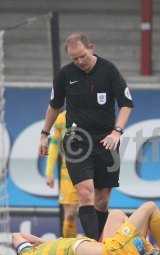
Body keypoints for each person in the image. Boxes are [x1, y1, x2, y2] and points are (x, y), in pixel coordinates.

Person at [38, 32, 133, 240]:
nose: (79, 61)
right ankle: (93, 245)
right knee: (84, 191)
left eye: (82, 56)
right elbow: (54, 106)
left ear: (91, 47)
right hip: (76, 139)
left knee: (102, 199)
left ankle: (98, 242)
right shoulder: (65, 75)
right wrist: (44, 134)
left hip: (107, 140)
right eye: (74, 58)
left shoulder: (109, 70)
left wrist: (117, 131)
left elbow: (126, 104)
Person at [12, 201, 160, 255]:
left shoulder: (50, 252)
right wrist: (30, 243)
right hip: (113, 253)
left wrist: (39, 242)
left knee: (116, 214)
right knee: (149, 207)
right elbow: (17, 236)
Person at [46, 111, 79, 238]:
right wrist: (49, 172)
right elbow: (54, 145)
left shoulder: (92, 112)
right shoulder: (60, 119)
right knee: (69, 216)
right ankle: (69, 251)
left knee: (92, 213)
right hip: (68, 174)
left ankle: (94, 251)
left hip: (90, 173)